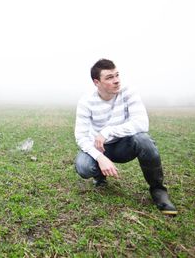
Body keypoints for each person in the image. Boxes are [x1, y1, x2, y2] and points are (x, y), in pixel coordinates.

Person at [74, 58, 177, 215]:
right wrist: (100, 157)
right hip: (99, 147)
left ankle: (158, 190)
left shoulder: (128, 92)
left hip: (124, 146)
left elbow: (142, 124)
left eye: (117, 75)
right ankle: (100, 176)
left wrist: (107, 131)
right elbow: (81, 137)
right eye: (109, 77)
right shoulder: (86, 101)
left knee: (144, 140)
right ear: (97, 82)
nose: (116, 81)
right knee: (83, 166)